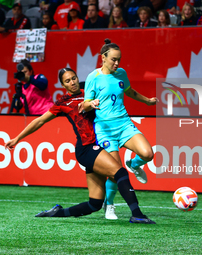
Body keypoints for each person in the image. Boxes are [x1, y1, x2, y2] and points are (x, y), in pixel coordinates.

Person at [4, 68, 155, 224]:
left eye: (74, 78)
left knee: (94, 203)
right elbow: (40, 121)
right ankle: (136, 214)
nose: (72, 82)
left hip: (102, 142)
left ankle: (57, 213)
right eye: (67, 81)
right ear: (63, 85)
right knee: (120, 173)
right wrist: (17, 138)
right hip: (87, 148)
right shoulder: (63, 102)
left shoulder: (89, 91)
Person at [83, 39, 158, 220]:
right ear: (103, 58)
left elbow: (129, 91)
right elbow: (84, 104)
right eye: (113, 60)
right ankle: (109, 205)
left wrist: (147, 100)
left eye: (119, 60)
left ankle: (134, 164)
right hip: (105, 129)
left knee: (148, 154)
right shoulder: (93, 77)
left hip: (124, 125)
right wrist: (90, 103)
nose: (117, 63)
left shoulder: (121, 73)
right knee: (115, 172)